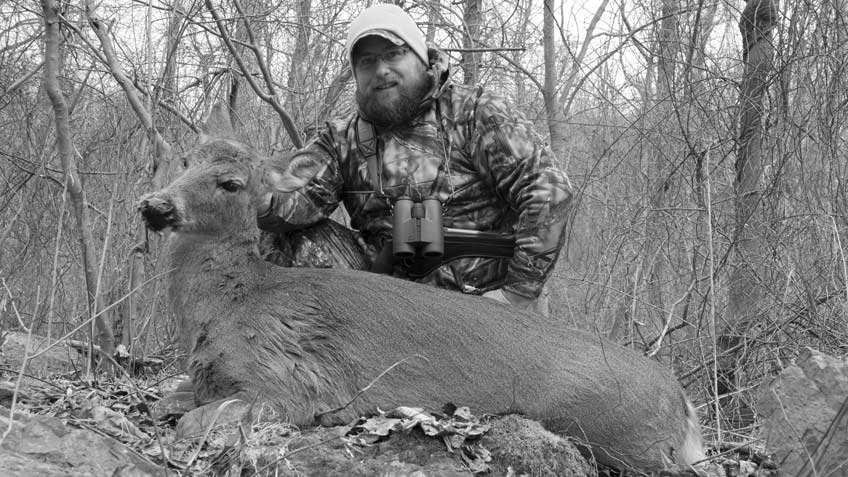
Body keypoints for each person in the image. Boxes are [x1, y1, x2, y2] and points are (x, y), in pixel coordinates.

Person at [259, 4, 573, 313]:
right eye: (367, 61)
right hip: (394, 306)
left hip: (488, 307)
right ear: (355, 75)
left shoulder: (475, 113)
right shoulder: (342, 140)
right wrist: (248, 194)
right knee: (293, 238)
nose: (381, 70)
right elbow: (293, 199)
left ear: (421, 57)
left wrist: (515, 296)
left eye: (394, 54)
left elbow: (548, 190)